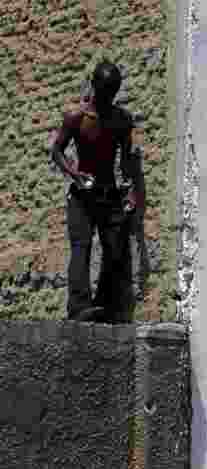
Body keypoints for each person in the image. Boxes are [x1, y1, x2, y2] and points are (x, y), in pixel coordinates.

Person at [50, 60, 140, 323]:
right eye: (104, 90)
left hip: (109, 193)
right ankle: (78, 308)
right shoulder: (75, 118)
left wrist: (131, 190)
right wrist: (74, 173)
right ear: (93, 85)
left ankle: (104, 306)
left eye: (112, 92)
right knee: (82, 246)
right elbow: (57, 151)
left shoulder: (121, 120)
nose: (107, 97)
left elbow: (126, 160)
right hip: (82, 195)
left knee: (114, 249)